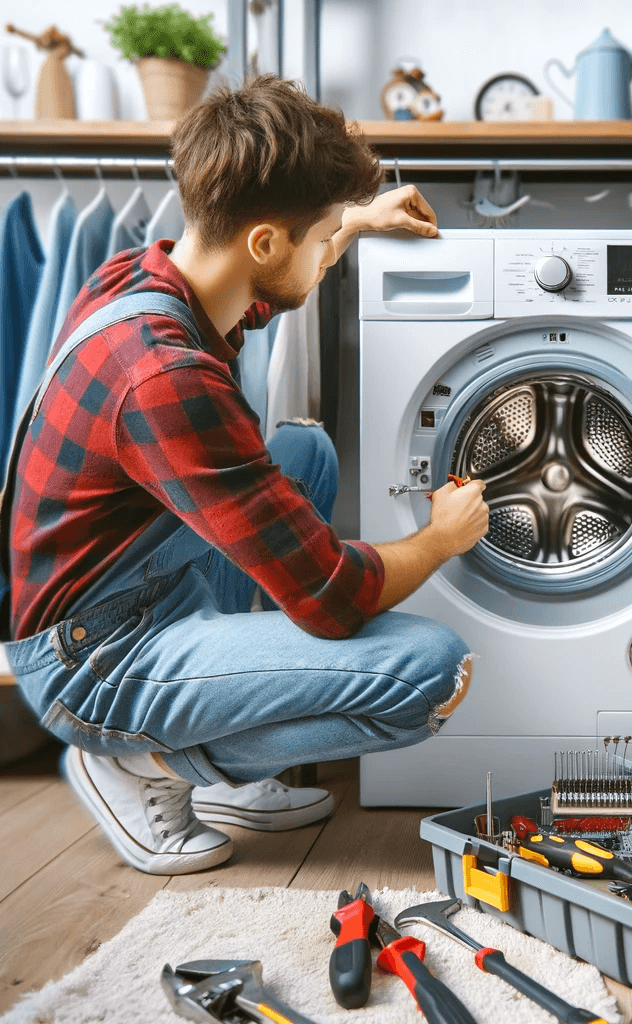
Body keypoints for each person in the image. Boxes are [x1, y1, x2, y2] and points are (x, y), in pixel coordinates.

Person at [0, 76, 489, 876]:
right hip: (91, 658)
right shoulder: (164, 375)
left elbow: (270, 290)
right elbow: (333, 596)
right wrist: (440, 538)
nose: (328, 247)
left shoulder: (147, 275)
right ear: (264, 240)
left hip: (128, 590)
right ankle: (140, 763)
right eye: (321, 232)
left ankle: (219, 757)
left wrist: (353, 222)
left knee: (305, 454)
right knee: (433, 672)